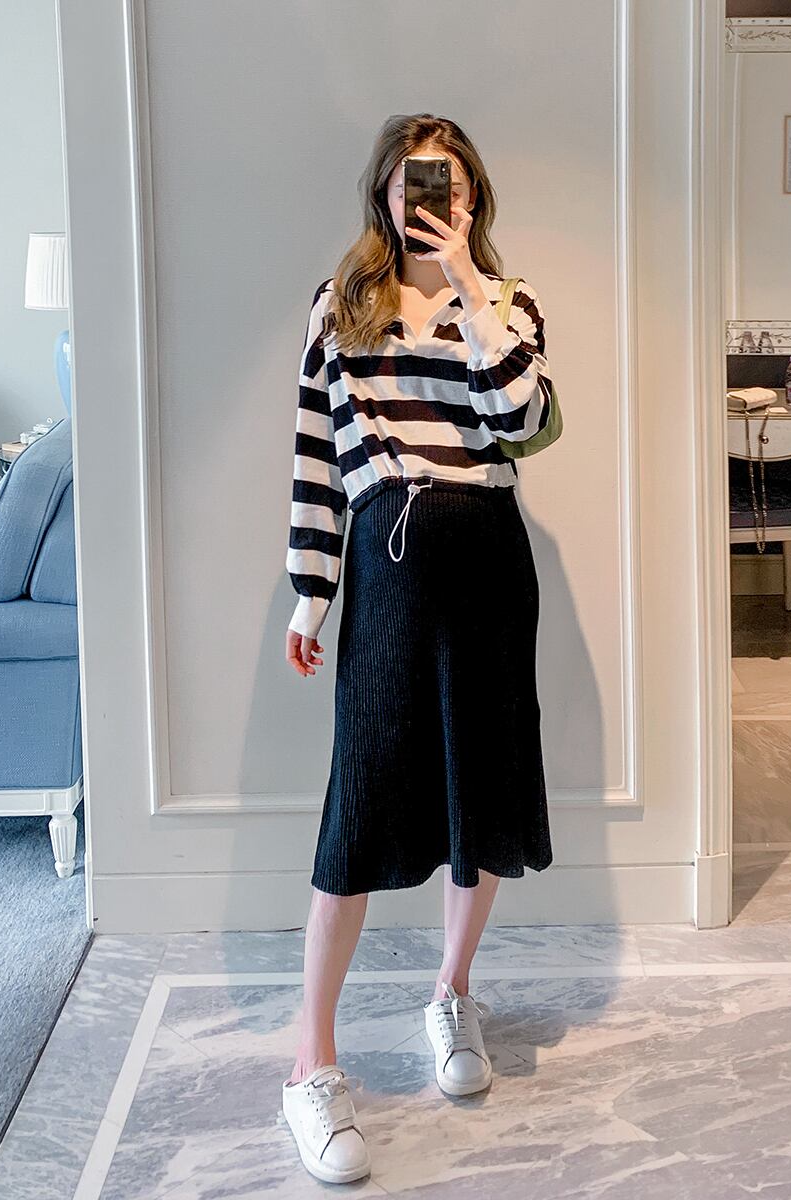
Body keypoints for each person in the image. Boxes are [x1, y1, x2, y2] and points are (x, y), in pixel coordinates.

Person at [279, 112, 558, 1185]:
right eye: (411, 183)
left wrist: (473, 292)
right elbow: (316, 460)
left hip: (490, 561)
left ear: (471, 196)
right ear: (384, 195)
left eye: (448, 183)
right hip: (389, 570)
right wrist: (312, 596)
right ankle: (310, 1063)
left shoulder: (509, 305)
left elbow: (519, 419)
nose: (429, 199)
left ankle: (452, 991)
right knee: (359, 807)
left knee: (477, 794)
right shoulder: (339, 307)